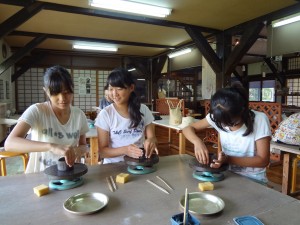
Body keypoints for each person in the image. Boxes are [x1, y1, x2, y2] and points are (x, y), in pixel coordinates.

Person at [4, 65, 89, 173]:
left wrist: (76, 150)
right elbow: (10, 144)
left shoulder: (79, 115)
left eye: (66, 92)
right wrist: (51, 146)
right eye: (55, 93)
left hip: (70, 174)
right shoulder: (37, 111)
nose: (62, 98)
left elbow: (84, 146)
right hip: (40, 175)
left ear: (72, 89)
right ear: (46, 91)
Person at [183, 82, 271, 184]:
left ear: (242, 111)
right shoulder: (216, 117)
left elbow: (263, 160)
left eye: (230, 123)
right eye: (221, 123)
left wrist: (228, 159)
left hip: (253, 179)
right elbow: (187, 128)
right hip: (227, 174)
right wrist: (198, 142)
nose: (225, 126)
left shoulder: (259, 120)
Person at [95, 68, 157, 164]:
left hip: (138, 163)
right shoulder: (106, 114)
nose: (114, 94)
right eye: (111, 89)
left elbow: (152, 137)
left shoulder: (143, 109)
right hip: (114, 166)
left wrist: (151, 141)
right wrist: (125, 150)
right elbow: (102, 152)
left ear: (131, 88)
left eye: (119, 89)